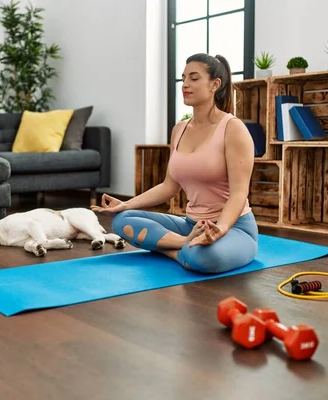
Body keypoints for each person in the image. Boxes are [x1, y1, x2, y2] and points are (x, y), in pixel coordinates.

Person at [91, 53, 258, 274]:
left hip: (234, 228)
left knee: (205, 257)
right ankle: (182, 244)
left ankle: (166, 247)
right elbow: (169, 186)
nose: (185, 84)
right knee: (122, 220)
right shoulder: (179, 129)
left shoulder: (233, 129)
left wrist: (221, 228)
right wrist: (126, 204)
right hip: (191, 226)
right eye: (183, 78)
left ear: (215, 85)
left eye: (194, 78)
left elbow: (239, 193)